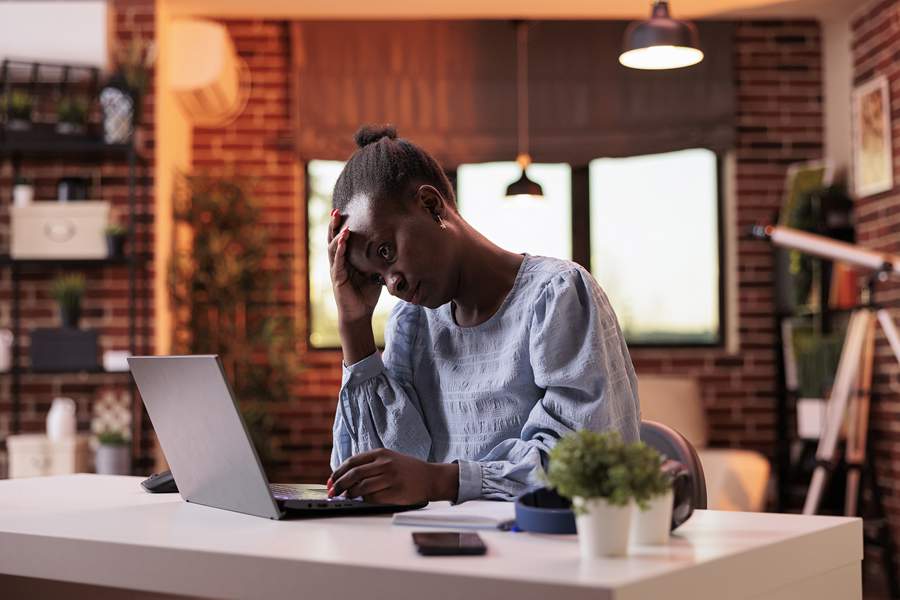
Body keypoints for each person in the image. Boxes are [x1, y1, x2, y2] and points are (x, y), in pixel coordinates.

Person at [326, 125, 640, 505]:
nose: (392, 285)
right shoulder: (412, 324)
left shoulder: (554, 296)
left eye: (387, 253)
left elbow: (587, 466)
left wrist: (441, 481)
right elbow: (374, 475)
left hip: (544, 555)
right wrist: (354, 326)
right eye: (376, 277)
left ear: (430, 204)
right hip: (434, 550)